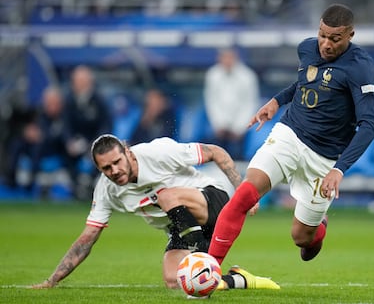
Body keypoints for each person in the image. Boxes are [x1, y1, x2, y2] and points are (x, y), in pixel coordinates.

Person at [207, 4, 374, 265]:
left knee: (302, 241)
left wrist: (339, 170)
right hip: (290, 134)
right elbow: (304, 82)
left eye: (335, 39)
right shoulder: (307, 48)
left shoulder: (360, 67)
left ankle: (318, 226)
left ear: (350, 36)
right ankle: (209, 268)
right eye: (322, 35)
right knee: (244, 194)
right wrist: (277, 101)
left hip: (324, 158)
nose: (326, 44)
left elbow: (369, 125)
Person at [32, 134, 280, 293]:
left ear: (128, 152)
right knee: (176, 282)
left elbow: (215, 151)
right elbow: (87, 238)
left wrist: (242, 193)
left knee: (164, 195)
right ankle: (241, 279)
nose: (114, 170)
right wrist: (52, 280)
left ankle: (203, 258)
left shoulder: (158, 152)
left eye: (117, 161)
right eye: (106, 168)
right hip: (182, 227)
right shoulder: (106, 190)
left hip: (211, 202)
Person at [63, 65, 112, 198]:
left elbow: (106, 125)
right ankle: (75, 185)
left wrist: (95, 144)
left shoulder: (99, 100)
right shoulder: (69, 99)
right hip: (77, 141)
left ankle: (90, 186)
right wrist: (69, 141)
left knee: (100, 155)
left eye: (81, 81)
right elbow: (66, 124)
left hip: (95, 141)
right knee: (64, 152)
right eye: (76, 81)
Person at [204, 48, 260, 160]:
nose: (227, 60)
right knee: (216, 155)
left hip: (241, 127)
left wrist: (240, 127)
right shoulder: (212, 75)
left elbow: (250, 103)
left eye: (230, 57)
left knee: (238, 157)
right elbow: (211, 101)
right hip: (219, 126)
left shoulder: (247, 76)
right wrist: (219, 124)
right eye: (224, 57)